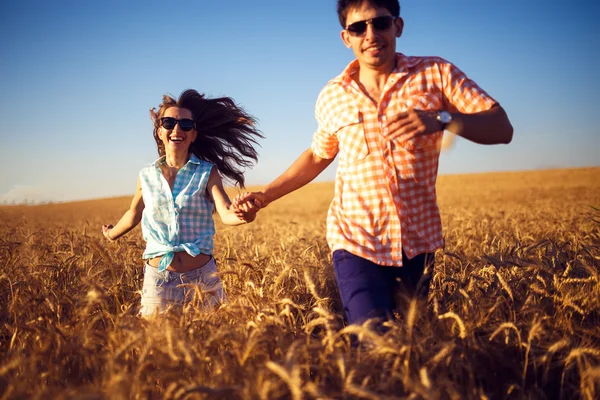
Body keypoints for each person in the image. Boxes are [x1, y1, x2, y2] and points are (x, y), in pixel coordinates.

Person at [234, 0, 513, 325]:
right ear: (346, 38)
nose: (370, 34)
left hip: (417, 240)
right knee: (370, 339)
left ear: (398, 26)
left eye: (380, 23)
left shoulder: (435, 73)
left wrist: (441, 118)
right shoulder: (332, 95)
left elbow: (501, 127)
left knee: (410, 342)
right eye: (358, 27)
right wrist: (265, 196)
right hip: (355, 239)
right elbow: (318, 155)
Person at [102, 89, 263, 317]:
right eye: (169, 123)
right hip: (159, 279)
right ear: (159, 131)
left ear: (194, 134)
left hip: (203, 279)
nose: (177, 129)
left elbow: (226, 211)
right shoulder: (146, 175)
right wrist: (111, 234)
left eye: (186, 125)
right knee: (156, 348)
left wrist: (245, 215)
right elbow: (133, 214)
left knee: (212, 348)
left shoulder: (208, 172)